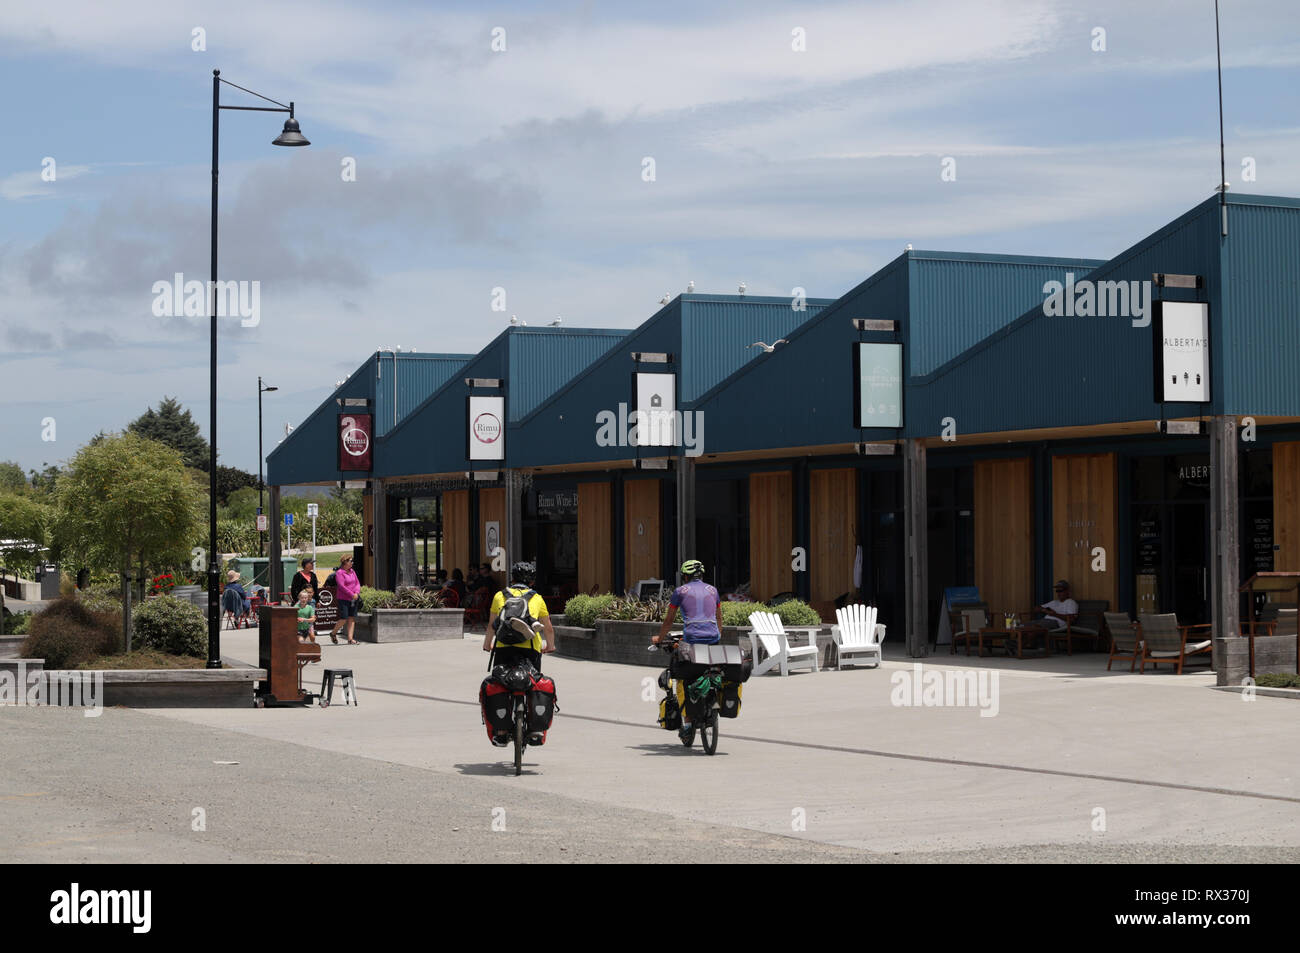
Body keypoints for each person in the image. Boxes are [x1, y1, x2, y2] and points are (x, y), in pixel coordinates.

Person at [653, 559, 723, 740]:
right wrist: (717, 637)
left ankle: (689, 723)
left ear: (685, 576)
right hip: (713, 640)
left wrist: (659, 639)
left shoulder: (679, 592)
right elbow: (718, 618)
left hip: (692, 641)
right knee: (711, 670)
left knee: (682, 678)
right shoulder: (713, 590)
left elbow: (669, 620)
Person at [483, 561, 555, 674]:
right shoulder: (537, 598)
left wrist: (487, 644)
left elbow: (492, 625)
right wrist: (550, 646)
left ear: (513, 579)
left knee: (500, 683)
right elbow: (548, 628)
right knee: (531, 683)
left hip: (503, 645)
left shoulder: (499, 595)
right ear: (532, 582)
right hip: (530, 647)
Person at [329, 555, 362, 645]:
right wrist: (351, 594)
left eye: (352, 561)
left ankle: (350, 639)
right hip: (343, 598)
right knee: (344, 618)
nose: (352, 562)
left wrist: (356, 593)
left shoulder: (352, 571)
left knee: (352, 618)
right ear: (345, 562)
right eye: (350, 561)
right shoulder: (339, 573)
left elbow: (357, 583)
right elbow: (341, 586)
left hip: (354, 598)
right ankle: (333, 633)